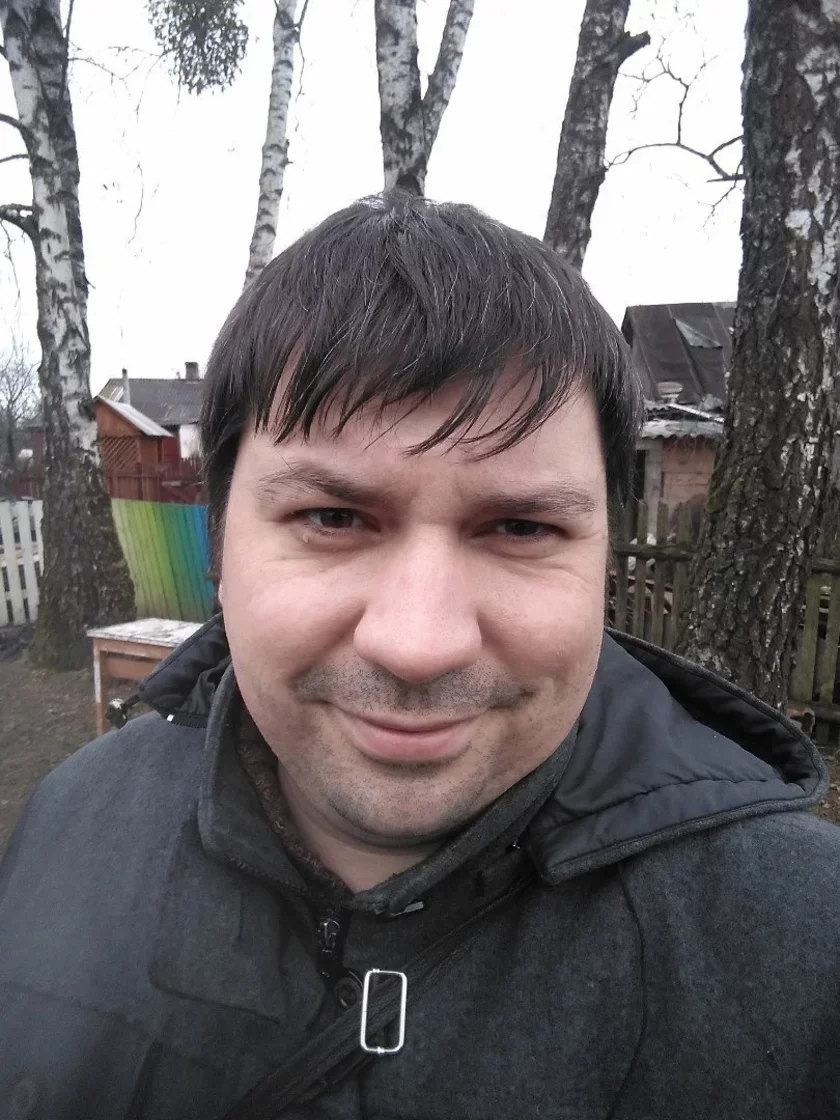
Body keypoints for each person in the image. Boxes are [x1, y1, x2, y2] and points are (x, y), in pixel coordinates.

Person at [1, 193, 838, 1120]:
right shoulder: (70, 823)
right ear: (221, 549)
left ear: (603, 561)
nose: (418, 645)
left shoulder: (804, 950)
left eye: (520, 527)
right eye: (332, 517)